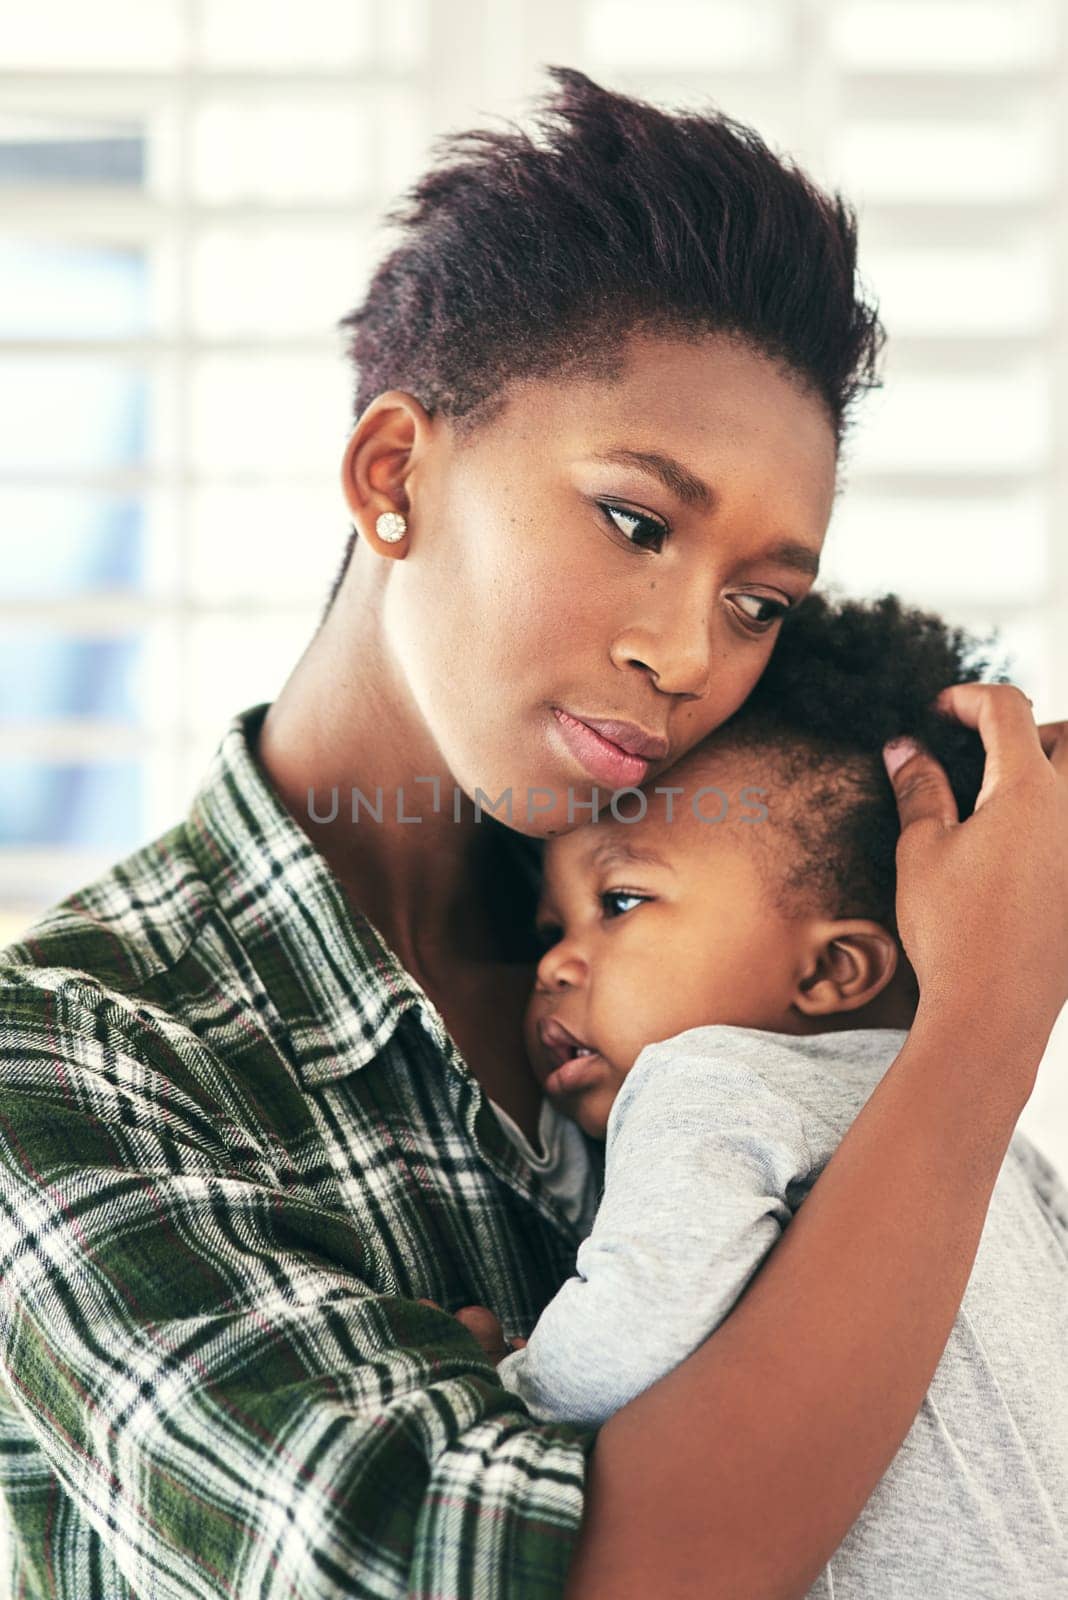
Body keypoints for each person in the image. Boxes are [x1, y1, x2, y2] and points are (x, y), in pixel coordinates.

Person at [0, 64, 1065, 1600]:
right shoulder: (77, 1060)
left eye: (757, 600)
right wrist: (985, 1033)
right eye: (637, 522)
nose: (690, 653)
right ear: (393, 473)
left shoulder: (732, 915)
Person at [479, 592, 1068, 1597]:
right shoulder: (1010, 1157)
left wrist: (511, 1375)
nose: (557, 964)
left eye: (621, 901)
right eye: (551, 926)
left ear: (836, 971)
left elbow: (623, 1340)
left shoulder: (709, 1076)